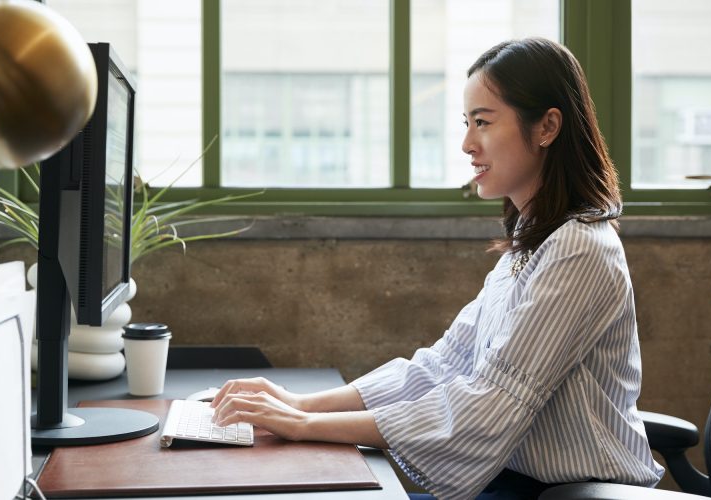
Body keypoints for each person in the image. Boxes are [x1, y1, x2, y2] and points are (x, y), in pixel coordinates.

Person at [210, 37, 665, 499]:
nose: (468, 144)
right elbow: (443, 365)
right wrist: (300, 405)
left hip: (574, 493)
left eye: (483, 123)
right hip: (521, 484)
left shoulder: (579, 248)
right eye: (467, 123)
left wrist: (305, 425)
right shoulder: (535, 238)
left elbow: (487, 405)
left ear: (547, 126)